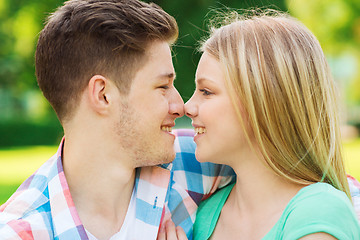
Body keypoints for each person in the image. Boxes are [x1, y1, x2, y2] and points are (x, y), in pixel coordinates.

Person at [0, 0, 235, 239]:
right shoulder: (21, 231)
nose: (180, 106)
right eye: (162, 86)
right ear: (103, 95)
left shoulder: (195, 160)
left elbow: (268, 145)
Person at [182, 11, 360, 239]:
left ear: (262, 101)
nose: (188, 107)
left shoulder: (318, 214)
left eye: (206, 91)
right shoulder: (204, 215)